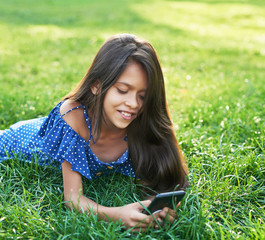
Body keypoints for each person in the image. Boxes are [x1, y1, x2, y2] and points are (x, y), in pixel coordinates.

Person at [0, 33, 188, 231]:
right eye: (122, 90)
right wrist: (117, 215)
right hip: (19, 140)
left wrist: (155, 207)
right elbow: (73, 200)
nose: (133, 104)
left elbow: (169, 176)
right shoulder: (72, 118)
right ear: (96, 85)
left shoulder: (141, 119)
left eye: (143, 95)